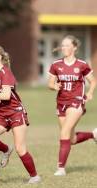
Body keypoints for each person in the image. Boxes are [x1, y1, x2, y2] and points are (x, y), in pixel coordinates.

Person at [0, 45, 41, 184]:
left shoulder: (6, 72)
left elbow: (5, 94)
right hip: (1, 114)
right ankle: (6, 149)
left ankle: (34, 177)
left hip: (16, 113)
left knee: (20, 149)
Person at [48, 35, 97, 176]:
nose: (64, 47)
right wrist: (54, 87)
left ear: (74, 47)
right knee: (71, 139)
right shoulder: (56, 64)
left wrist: (90, 92)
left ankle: (61, 168)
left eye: (67, 45)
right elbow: (50, 83)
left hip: (76, 102)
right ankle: (93, 134)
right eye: (62, 45)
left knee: (63, 133)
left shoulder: (81, 64)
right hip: (61, 103)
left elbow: (93, 81)